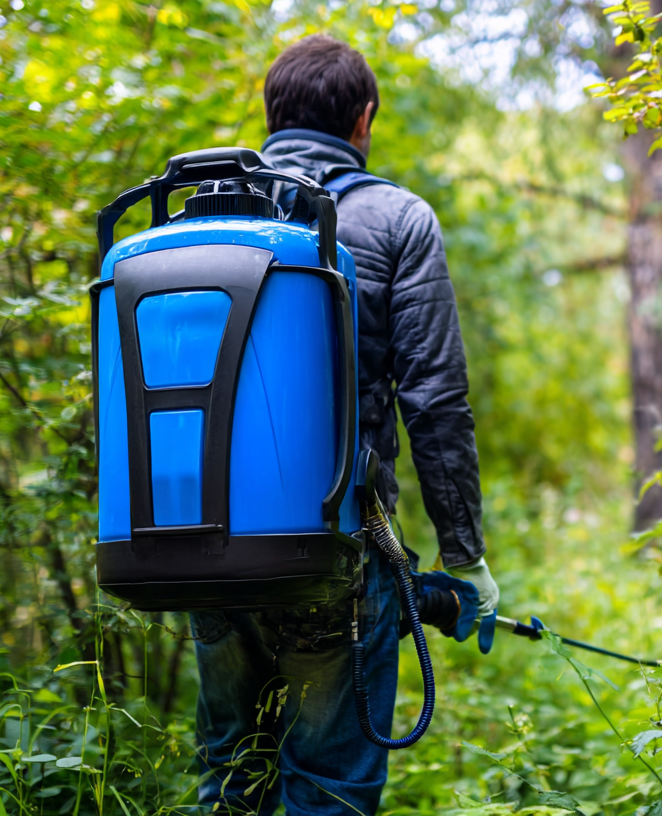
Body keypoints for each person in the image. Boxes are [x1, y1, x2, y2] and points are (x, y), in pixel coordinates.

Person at [189, 34, 499, 816]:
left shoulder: (198, 220)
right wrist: (464, 556)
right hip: (333, 550)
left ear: (270, 116)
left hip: (198, 548)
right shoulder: (398, 219)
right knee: (327, 786)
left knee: (230, 775)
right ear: (363, 120)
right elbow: (434, 399)